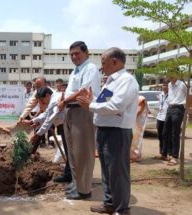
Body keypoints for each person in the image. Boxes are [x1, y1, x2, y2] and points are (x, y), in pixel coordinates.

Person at [77, 47, 139, 215]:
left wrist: (90, 105)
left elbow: (116, 106)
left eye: (103, 63)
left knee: (118, 172)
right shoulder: (111, 81)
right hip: (105, 130)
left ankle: (122, 209)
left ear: (114, 61)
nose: (101, 66)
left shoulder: (126, 80)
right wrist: (92, 100)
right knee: (107, 170)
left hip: (117, 132)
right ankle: (110, 203)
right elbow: (103, 103)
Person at [57, 41, 101, 200]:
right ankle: (77, 184)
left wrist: (64, 101)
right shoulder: (75, 71)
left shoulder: (90, 68)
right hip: (71, 111)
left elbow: (83, 91)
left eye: (77, 53)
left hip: (82, 112)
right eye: (72, 54)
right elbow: (72, 90)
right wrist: (64, 100)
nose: (74, 57)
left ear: (86, 53)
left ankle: (84, 190)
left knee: (83, 153)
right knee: (73, 153)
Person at [23, 87, 72, 183]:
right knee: (68, 151)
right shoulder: (53, 99)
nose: (42, 103)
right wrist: (32, 120)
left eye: (42, 100)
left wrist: (37, 134)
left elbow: (48, 120)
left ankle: (70, 176)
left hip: (67, 125)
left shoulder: (54, 101)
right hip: (64, 124)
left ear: (47, 95)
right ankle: (69, 174)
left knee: (69, 152)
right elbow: (46, 114)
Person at [162, 75, 187, 166]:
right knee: (165, 132)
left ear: (176, 74)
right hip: (170, 108)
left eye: (172, 74)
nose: (170, 76)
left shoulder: (183, 84)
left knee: (175, 133)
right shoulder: (169, 84)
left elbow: (189, 95)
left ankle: (175, 157)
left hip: (178, 108)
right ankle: (166, 153)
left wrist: (186, 108)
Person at [130, 95, 149, 162]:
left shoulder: (141, 98)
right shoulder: (133, 98)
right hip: (134, 121)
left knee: (137, 139)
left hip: (139, 121)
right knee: (133, 138)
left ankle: (136, 156)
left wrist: (133, 116)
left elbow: (141, 109)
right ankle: (133, 155)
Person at [155, 81, 169, 160]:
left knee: (165, 135)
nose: (164, 86)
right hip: (159, 117)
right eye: (163, 85)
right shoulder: (161, 95)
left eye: (166, 85)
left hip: (167, 118)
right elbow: (160, 104)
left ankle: (166, 153)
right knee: (160, 136)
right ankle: (162, 153)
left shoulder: (171, 95)